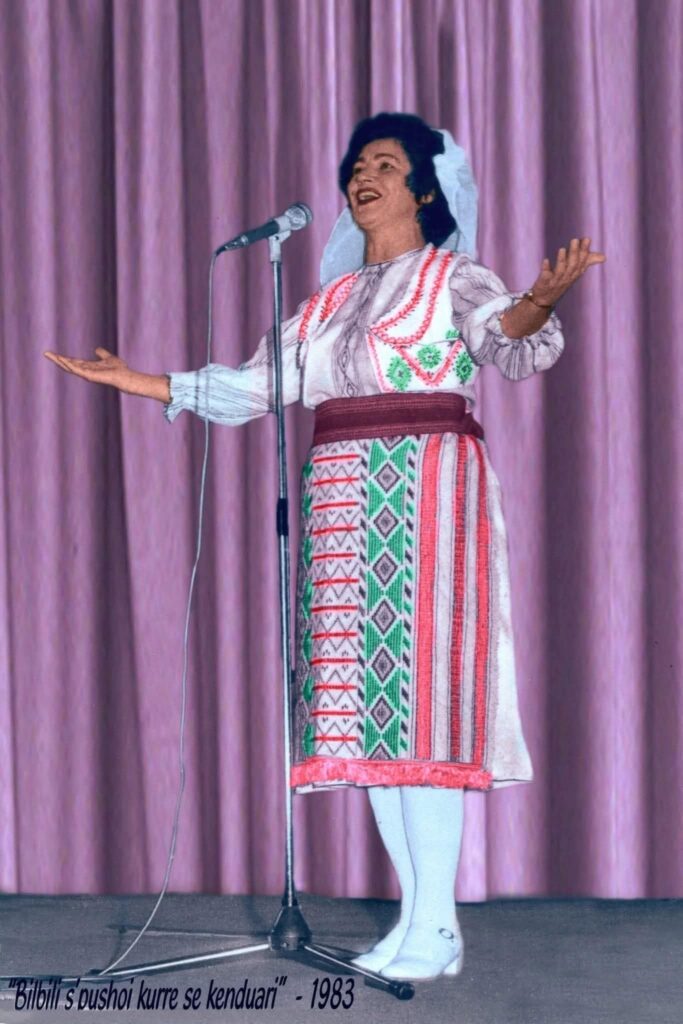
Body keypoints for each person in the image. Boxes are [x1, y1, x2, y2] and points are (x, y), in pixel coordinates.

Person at [45, 112, 605, 981]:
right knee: (370, 717)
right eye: (356, 166)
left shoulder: (454, 276)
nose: (362, 177)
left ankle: (438, 924)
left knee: (423, 710)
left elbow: (506, 338)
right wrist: (142, 381)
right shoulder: (325, 303)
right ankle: (417, 922)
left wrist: (541, 298)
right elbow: (255, 388)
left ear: (424, 191)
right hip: (341, 505)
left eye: (385, 164)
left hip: (426, 495)